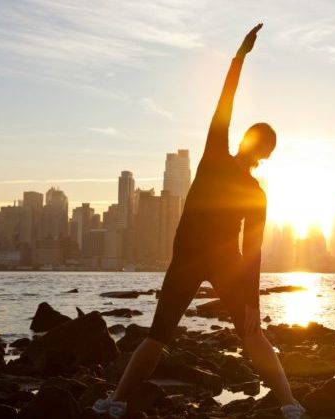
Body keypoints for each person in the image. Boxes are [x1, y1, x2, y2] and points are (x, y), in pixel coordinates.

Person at [93, 24, 310, 419]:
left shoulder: (246, 183)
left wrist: (251, 303)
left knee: (185, 336)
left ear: (258, 149)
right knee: (165, 337)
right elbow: (225, 99)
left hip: (210, 260)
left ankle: (290, 404)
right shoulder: (221, 159)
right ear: (258, 148)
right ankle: (118, 401)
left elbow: (254, 250)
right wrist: (240, 56)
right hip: (199, 260)